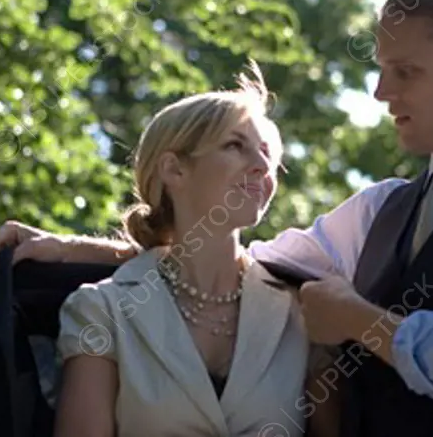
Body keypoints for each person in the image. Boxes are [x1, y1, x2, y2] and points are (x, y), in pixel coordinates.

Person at [0, 0, 433, 437]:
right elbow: (234, 263)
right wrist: (74, 248)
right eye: (380, 67)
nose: (381, 92)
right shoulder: (382, 207)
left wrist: (361, 319)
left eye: (405, 71)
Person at [48, 63, 340, 437]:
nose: (263, 166)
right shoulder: (101, 311)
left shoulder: (302, 311)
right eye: (236, 146)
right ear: (175, 170)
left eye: (267, 153)